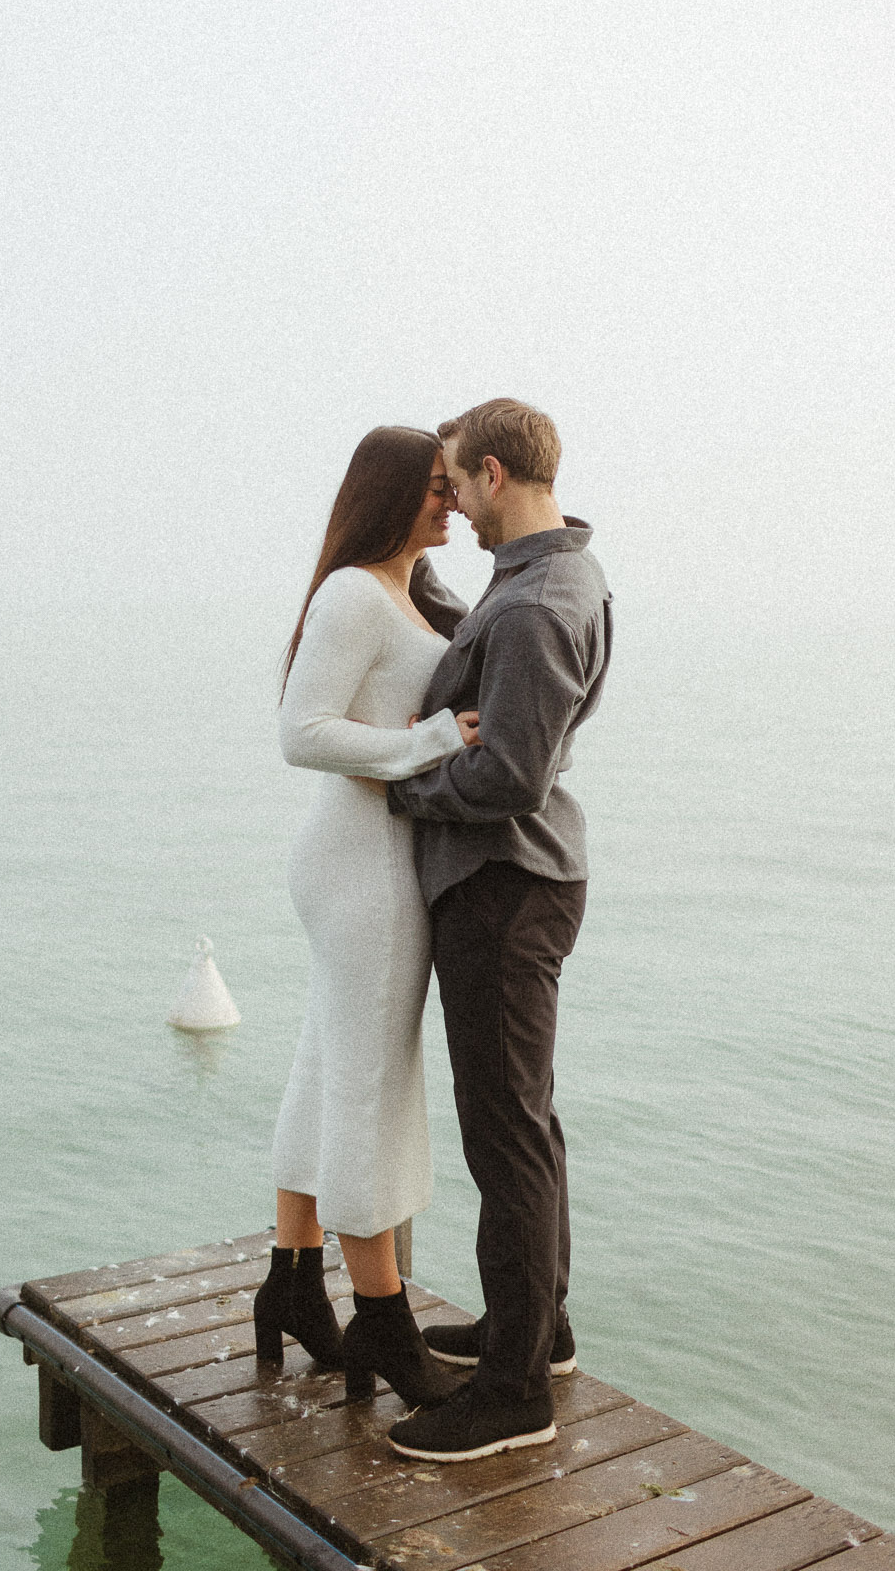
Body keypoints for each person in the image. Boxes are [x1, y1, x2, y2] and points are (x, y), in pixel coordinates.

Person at [381, 398, 612, 1462]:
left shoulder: (529, 607)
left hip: (502, 888)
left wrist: (412, 783)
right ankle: (538, 1326)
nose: (455, 507)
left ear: (489, 473)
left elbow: (508, 771)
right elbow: (492, 660)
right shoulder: (552, 577)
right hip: (529, 882)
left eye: (456, 486)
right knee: (530, 1118)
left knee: (503, 1131)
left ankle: (515, 1391)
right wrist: (408, 575)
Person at [253, 426, 476, 1407]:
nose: (453, 501)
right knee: (367, 1085)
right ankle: (382, 1314)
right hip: (363, 860)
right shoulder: (353, 590)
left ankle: (293, 1281)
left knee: (323, 1067)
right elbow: (302, 731)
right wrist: (432, 738)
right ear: (389, 492)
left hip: (366, 856)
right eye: (435, 487)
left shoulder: (408, 590)